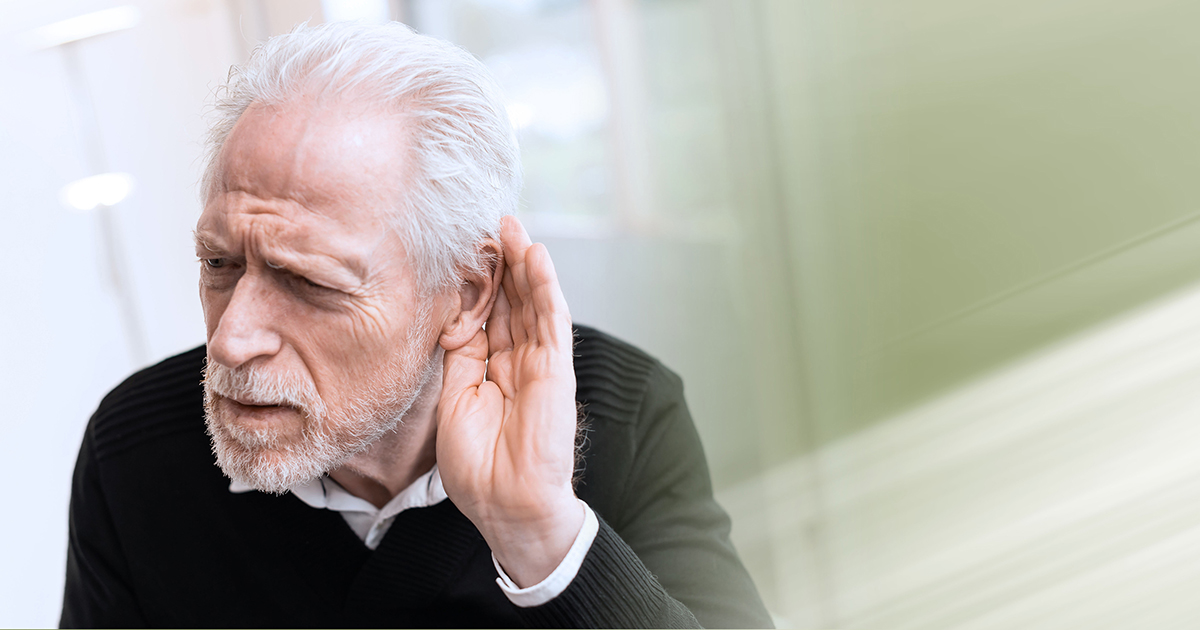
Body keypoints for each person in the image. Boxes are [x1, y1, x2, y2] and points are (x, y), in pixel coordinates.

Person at [60, 20, 771, 628]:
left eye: (307, 281)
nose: (232, 339)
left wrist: (540, 535)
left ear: (463, 294)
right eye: (219, 263)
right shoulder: (134, 454)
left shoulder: (621, 417)